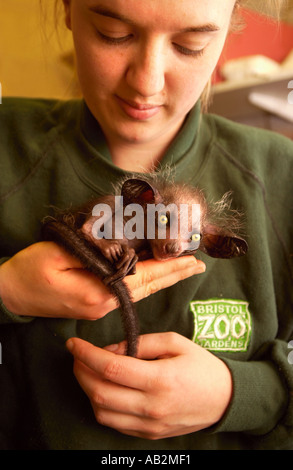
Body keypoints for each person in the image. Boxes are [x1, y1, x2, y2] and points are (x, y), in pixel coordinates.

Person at [0, 0, 292, 450]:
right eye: (114, 33)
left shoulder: (280, 173)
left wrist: (243, 393)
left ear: (228, 28)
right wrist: (7, 290)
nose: (147, 83)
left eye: (190, 45)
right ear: (67, 9)